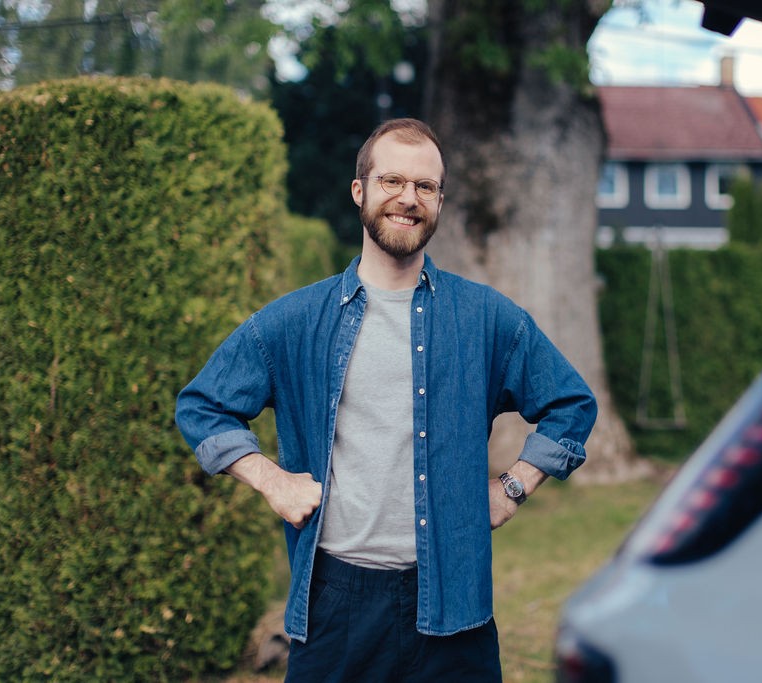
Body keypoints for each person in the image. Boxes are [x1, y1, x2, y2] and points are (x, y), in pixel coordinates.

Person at [174, 118, 597, 682]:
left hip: (454, 606)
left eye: (425, 186)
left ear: (440, 200)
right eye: (391, 180)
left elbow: (571, 404)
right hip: (335, 605)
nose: (408, 198)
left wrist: (514, 486)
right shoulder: (294, 321)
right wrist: (273, 481)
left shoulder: (486, 318)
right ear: (360, 190)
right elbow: (203, 406)